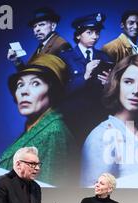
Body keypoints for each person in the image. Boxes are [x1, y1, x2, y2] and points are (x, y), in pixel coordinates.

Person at [81, 54, 138, 186]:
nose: (135, 91)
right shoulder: (101, 136)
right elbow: (93, 195)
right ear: (117, 84)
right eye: (128, 81)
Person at [0, 54, 77, 186]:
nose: (24, 91)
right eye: (20, 84)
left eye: (35, 83)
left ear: (53, 91)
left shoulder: (54, 133)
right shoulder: (34, 128)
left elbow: (46, 192)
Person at [58, 12, 113, 144]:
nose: (95, 36)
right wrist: (85, 76)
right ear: (78, 35)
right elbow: (60, 91)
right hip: (74, 120)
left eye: (97, 33)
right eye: (90, 32)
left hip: (99, 119)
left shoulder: (105, 57)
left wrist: (109, 84)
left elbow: (112, 92)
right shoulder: (65, 57)